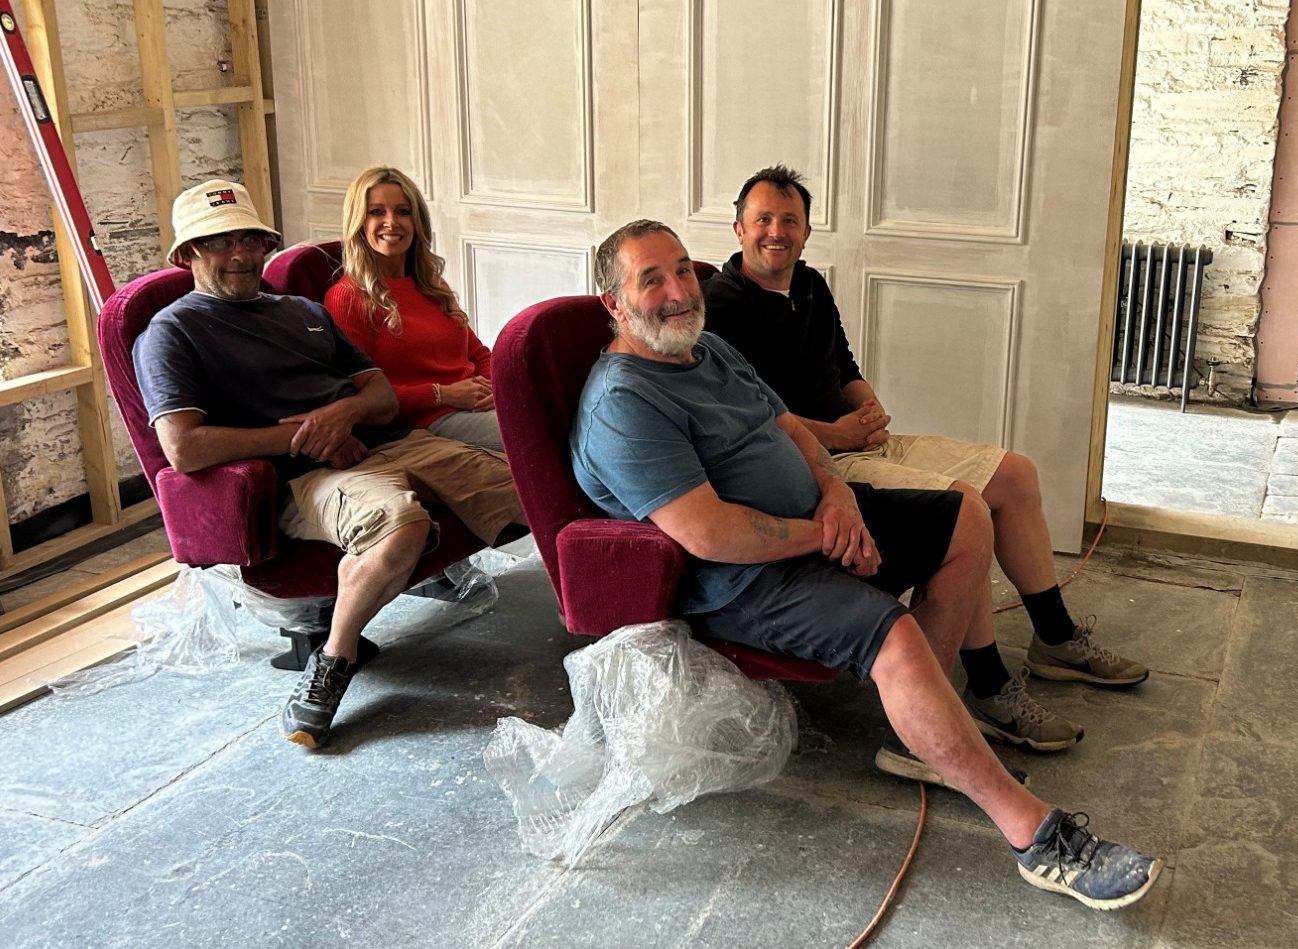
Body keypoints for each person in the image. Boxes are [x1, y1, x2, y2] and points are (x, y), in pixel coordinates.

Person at [570, 219, 1161, 910]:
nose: (678, 290)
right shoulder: (624, 401)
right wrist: (823, 535)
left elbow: (788, 428)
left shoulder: (709, 350)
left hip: (817, 523)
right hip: (744, 580)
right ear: (614, 303)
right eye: (652, 280)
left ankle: (927, 734)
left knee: (967, 515)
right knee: (894, 636)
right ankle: (1036, 838)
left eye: (681, 269)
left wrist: (837, 493)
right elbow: (710, 534)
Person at [702, 165, 1148, 731]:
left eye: (790, 220)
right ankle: (987, 684)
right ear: (738, 228)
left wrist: (869, 409)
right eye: (763, 219)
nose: (776, 231)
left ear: (807, 231)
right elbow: (757, 419)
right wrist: (843, 435)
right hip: (818, 464)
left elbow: (844, 365)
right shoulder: (720, 306)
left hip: (860, 441)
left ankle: (1055, 638)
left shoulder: (810, 284)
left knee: (1016, 474)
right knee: (967, 510)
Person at [133, 179, 524, 750]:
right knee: (402, 527)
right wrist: (306, 439)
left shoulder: (303, 312)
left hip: (389, 443)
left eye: (249, 240)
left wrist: (341, 416)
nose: (238, 254)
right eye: (219, 242)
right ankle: (334, 661)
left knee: (543, 485)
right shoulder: (172, 332)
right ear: (187, 253)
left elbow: (381, 397)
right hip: (305, 477)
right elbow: (183, 448)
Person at [324, 166, 502, 451]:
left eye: (403, 211)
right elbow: (356, 394)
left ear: (417, 221)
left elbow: (478, 353)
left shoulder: (432, 285)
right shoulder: (347, 298)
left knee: (561, 408)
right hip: (425, 421)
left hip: (474, 406)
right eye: (376, 212)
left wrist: (495, 389)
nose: (391, 222)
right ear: (358, 222)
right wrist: (442, 394)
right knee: (543, 434)